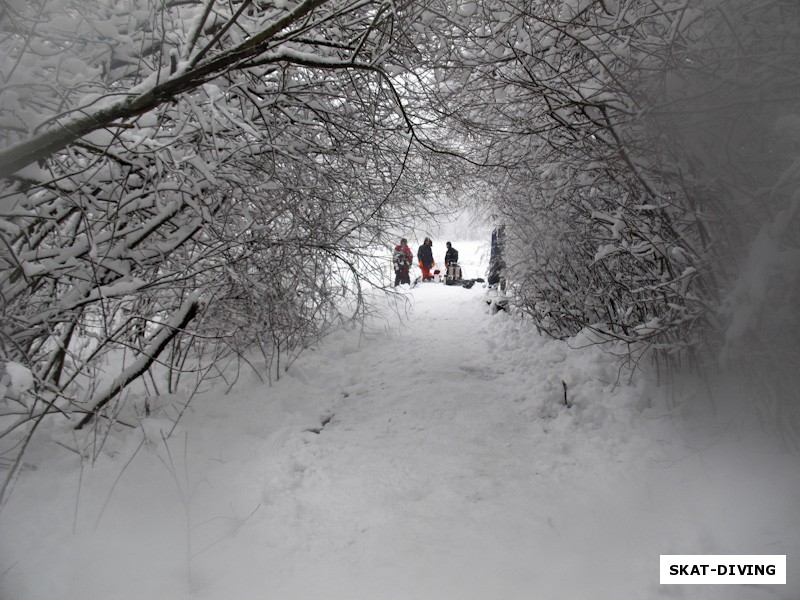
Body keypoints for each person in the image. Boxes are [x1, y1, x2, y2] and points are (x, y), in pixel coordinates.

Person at [487, 224, 506, 289]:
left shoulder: (501, 232)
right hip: (496, 256)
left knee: (500, 274)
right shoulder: (495, 232)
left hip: (499, 256)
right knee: (495, 272)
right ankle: (493, 290)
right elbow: (494, 245)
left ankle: (500, 292)